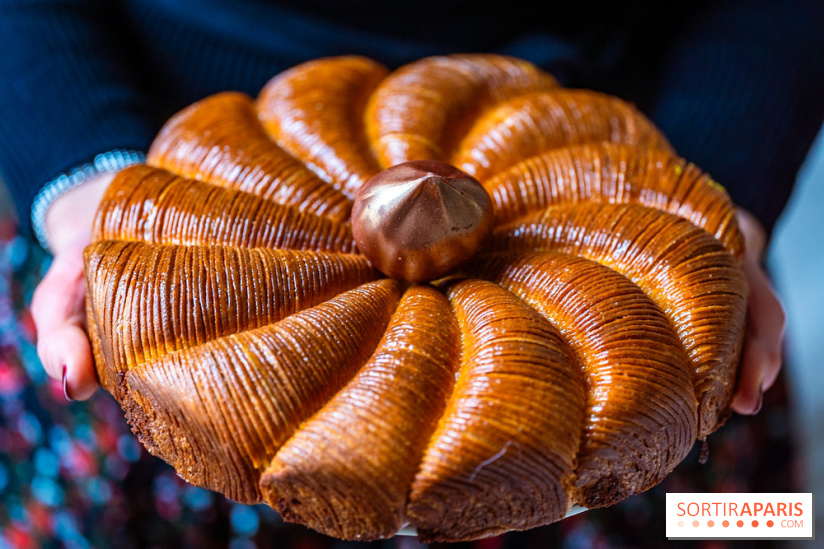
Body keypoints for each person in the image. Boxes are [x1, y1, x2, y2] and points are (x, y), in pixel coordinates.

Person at [2, 0, 821, 413]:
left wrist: (717, 178)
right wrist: (85, 176)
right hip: (166, 210)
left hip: (624, 225)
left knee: (706, 503)